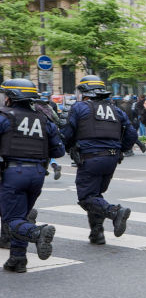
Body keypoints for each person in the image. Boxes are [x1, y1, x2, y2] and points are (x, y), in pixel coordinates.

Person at [61, 76, 137, 245]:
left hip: (90, 158)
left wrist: (66, 148)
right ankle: (97, 233)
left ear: (85, 93)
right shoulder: (116, 110)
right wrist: (121, 149)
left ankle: (114, 212)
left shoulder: (80, 107)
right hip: (111, 159)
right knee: (96, 196)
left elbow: (67, 132)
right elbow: (132, 134)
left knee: (87, 198)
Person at [0, 79, 65, 272]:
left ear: (11, 98)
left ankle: (37, 232)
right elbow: (59, 151)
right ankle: (18, 260)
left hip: (12, 173)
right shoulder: (44, 120)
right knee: (22, 216)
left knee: (12, 220)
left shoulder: (4, 117)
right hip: (37, 174)